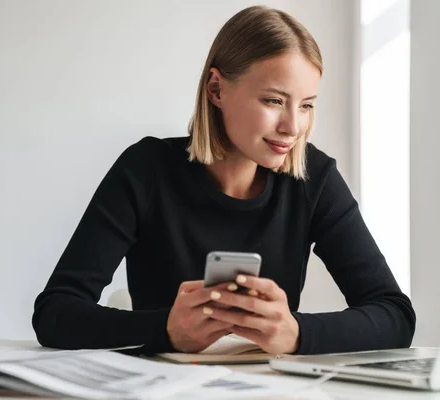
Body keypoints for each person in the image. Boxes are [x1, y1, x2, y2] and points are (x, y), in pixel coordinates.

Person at [32, 5, 416, 355]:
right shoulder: (146, 169)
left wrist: (296, 332)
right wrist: (165, 328)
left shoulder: (314, 179)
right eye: (274, 100)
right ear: (217, 89)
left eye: (306, 105)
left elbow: (395, 314)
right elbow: (55, 312)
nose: (293, 126)